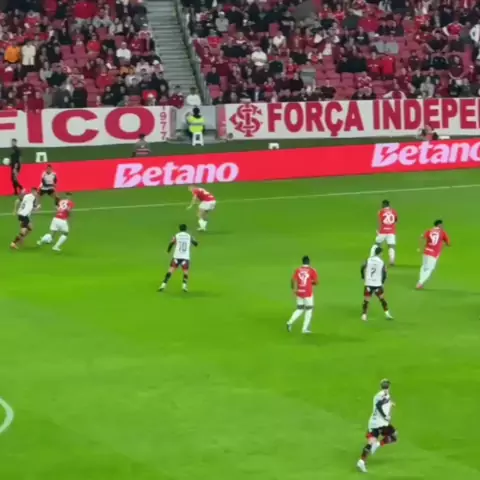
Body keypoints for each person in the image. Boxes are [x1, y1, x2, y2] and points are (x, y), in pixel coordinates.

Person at [357, 379, 397, 473]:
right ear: (389, 387)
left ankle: (361, 461)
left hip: (373, 422)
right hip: (381, 423)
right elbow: (379, 405)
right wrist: (385, 416)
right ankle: (378, 444)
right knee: (394, 436)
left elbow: (383, 402)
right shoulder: (384, 395)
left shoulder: (379, 395)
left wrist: (391, 403)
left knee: (371, 441)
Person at [158, 224, 198, 293]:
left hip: (176, 256)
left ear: (179, 229)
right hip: (185, 257)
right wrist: (193, 242)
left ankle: (163, 285)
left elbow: (171, 243)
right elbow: (195, 244)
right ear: (186, 229)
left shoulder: (177, 235)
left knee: (170, 271)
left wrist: (168, 251)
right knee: (185, 272)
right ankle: (184, 286)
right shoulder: (189, 236)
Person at [286, 255, 318, 334]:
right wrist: (311, 282)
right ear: (309, 262)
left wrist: (293, 289)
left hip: (299, 292)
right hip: (308, 293)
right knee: (309, 310)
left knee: (300, 309)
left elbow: (293, 280)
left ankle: (290, 322)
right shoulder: (312, 270)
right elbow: (316, 282)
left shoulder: (298, 270)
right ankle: (304, 329)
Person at [361, 247, 393, 321]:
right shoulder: (381, 262)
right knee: (382, 299)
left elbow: (362, 267)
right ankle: (387, 314)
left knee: (366, 300)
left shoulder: (368, 260)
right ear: (380, 253)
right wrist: (382, 282)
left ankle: (364, 315)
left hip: (368, 283)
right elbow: (384, 273)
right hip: (377, 284)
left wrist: (363, 276)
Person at [416, 220, 450, 289]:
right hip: (433, 254)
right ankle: (420, 283)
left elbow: (422, 238)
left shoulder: (429, 231)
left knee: (424, 267)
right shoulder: (442, 232)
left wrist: (420, 248)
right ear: (439, 225)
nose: (443, 226)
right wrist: (444, 244)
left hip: (426, 252)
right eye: (442, 225)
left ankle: (420, 282)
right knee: (429, 269)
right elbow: (448, 243)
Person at [370, 200, 398, 266]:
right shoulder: (394, 211)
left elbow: (380, 221)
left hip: (383, 231)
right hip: (391, 231)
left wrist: (378, 230)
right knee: (391, 246)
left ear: (384, 204)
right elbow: (396, 221)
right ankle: (391, 260)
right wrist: (391, 226)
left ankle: (371, 257)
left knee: (377, 244)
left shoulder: (381, 212)